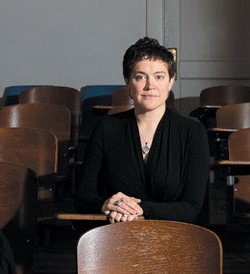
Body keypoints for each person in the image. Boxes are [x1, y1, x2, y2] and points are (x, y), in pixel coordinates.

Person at [76, 37, 210, 223]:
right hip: (118, 238)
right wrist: (106, 204)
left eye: (159, 76)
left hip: (176, 240)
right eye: (140, 77)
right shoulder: (106, 128)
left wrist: (138, 210)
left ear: (171, 82)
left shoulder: (192, 131)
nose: (150, 86)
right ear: (128, 82)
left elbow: (193, 207)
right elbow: (84, 196)